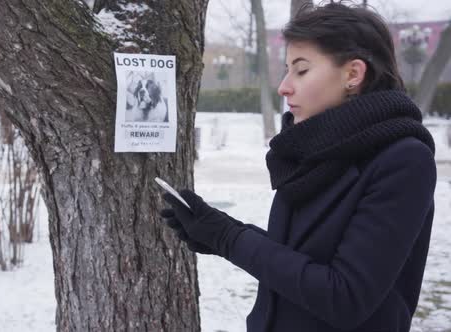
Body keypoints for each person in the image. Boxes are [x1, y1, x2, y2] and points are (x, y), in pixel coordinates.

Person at [159, 2, 436, 332]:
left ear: (353, 74)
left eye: (301, 70)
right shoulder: (309, 148)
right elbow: (301, 258)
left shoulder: (403, 161)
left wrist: (230, 239)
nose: (284, 86)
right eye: (287, 69)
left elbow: (344, 297)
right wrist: (216, 230)